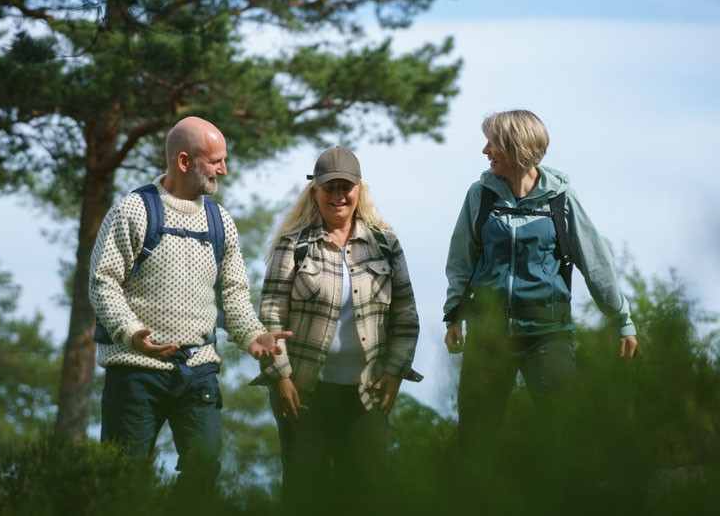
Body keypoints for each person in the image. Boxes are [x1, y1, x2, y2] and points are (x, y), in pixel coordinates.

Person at [89, 116, 292, 499]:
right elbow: (102, 282)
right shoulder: (133, 211)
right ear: (184, 161)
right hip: (134, 372)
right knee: (121, 478)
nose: (224, 170)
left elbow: (233, 293)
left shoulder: (221, 222)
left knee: (205, 465)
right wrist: (132, 334)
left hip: (197, 371)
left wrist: (252, 334)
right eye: (215, 161)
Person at [442, 110, 637, 472]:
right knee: (475, 438)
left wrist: (620, 318)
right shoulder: (480, 195)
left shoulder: (560, 198)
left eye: (493, 144)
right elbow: (461, 258)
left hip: (548, 333)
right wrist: (453, 314)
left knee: (562, 430)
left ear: (516, 149)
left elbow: (595, 260)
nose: (485, 150)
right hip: (489, 334)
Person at [250, 146, 422, 512]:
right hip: (303, 394)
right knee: (303, 495)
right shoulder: (293, 245)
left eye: (346, 186)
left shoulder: (385, 244)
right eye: (330, 187)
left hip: (366, 395)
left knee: (365, 494)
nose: (338, 196)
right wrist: (280, 378)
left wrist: (395, 372)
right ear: (315, 190)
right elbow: (270, 315)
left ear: (360, 189)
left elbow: (405, 315)